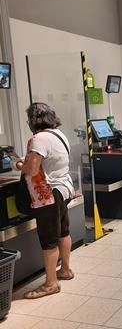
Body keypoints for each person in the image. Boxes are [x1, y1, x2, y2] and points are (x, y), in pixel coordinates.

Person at [13, 103, 75, 299]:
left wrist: (18, 163)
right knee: (63, 232)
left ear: (33, 120)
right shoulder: (58, 134)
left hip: (48, 194)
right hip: (64, 189)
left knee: (48, 240)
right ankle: (65, 270)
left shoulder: (38, 139)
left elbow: (31, 170)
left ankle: (51, 284)